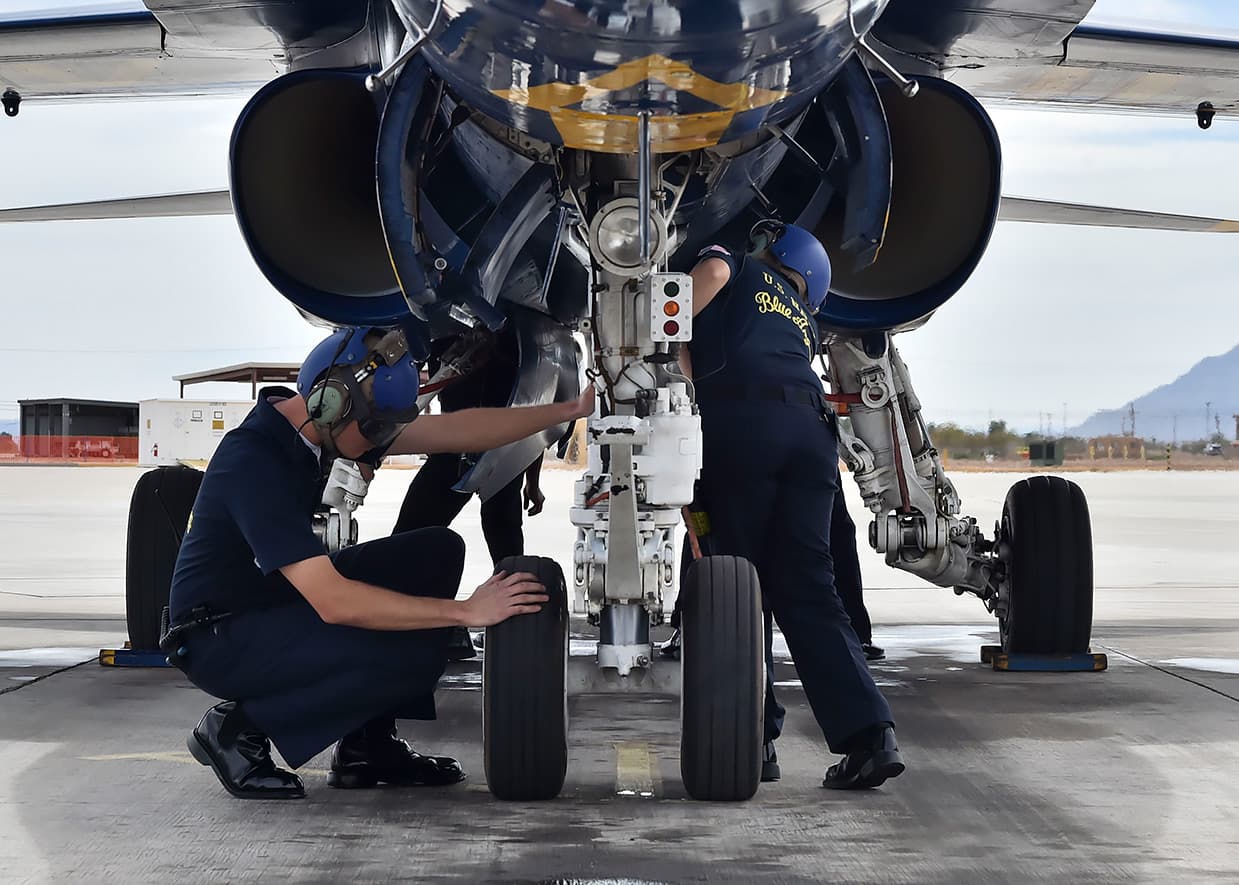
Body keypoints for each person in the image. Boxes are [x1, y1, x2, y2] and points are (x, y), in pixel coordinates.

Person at [164, 325, 593, 800]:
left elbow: (457, 431)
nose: (379, 445)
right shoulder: (256, 460)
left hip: (267, 602)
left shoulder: (329, 422)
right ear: (331, 404)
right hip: (218, 637)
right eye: (375, 433)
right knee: (405, 645)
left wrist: (566, 411)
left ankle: (368, 745)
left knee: (436, 551)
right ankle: (238, 728)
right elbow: (334, 602)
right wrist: (465, 613)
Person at [676, 221, 904, 790]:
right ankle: (870, 738)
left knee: (732, 583)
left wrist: (669, 350)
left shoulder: (737, 261)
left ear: (775, 252)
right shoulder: (804, 320)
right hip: (812, 439)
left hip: (743, 428)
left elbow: (712, 273)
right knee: (810, 589)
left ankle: (753, 740)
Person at [393, 330, 549, 660]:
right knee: (500, 545)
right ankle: (483, 628)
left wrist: (532, 482)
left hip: (470, 452)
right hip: (485, 452)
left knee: (412, 536)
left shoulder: (453, 334)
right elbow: (533, 417)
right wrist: (531, 482)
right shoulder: (515, 342)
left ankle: (469, 626)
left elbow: (533, 415)